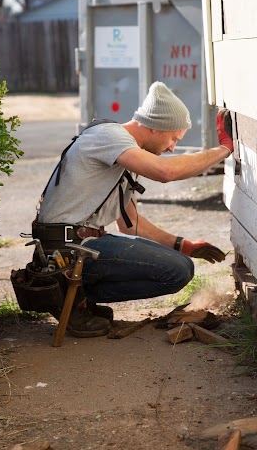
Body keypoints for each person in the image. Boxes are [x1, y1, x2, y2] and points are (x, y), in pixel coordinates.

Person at [32, 82, 234, 337]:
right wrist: (224, 150)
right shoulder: (109, 137)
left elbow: (130, 224)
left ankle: (79, 297)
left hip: (78, 245)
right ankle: (69, 300)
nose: (172, 147)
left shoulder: (123, 154)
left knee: (180, 267)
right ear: (153, 125)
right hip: (64, 249)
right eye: (173, 138)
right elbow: (166, 172)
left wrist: (184, 245)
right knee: (177, 270)